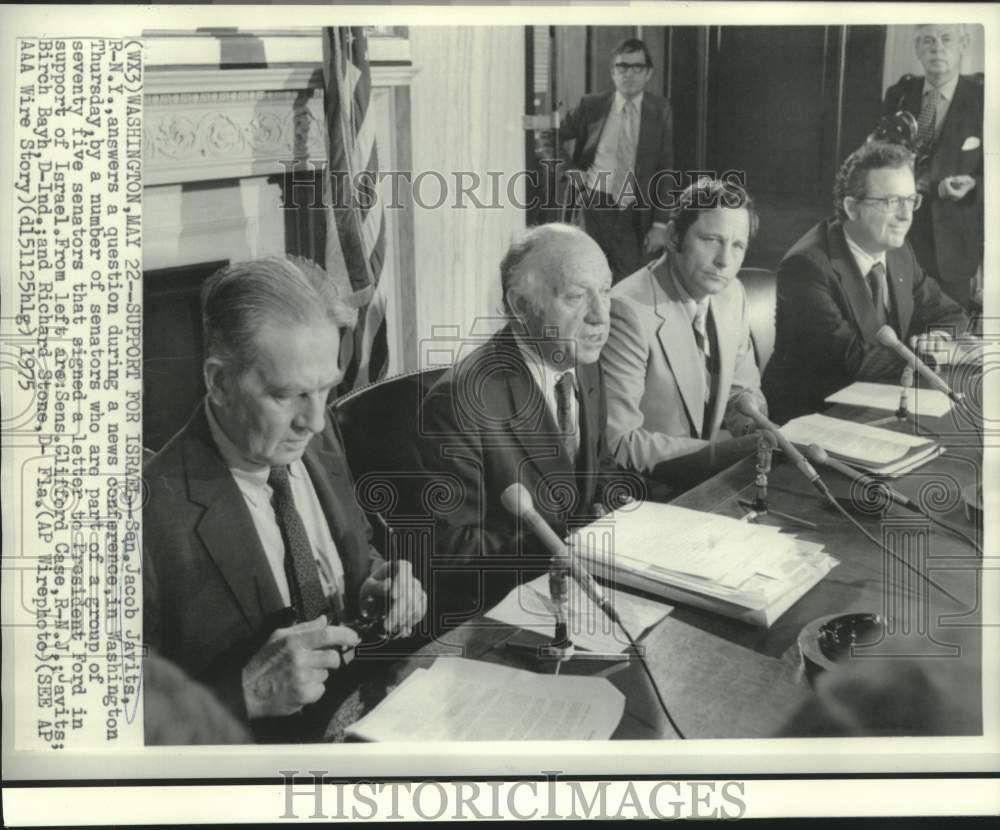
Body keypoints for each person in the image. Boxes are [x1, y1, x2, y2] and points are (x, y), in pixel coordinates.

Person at [143, 256, 427, 741]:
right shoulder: (144, 516)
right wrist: (245, 691)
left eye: (325, 390)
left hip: (377, 721)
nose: (314, 420)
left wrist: (376, 582)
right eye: (287, 396)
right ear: (219, 382)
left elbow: (356, 550)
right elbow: (103, 726)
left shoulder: (318, 434)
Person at [419, 224, 634, 621]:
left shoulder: (581, 361)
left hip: (588, 589)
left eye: (605, 291)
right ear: (520, 306)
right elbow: (454, 553)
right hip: (507, 613)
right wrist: (571, 542)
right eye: (575, 296)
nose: (601, 316)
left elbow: (596, 470)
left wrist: (633, 516)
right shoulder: (461, 402)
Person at [762, 142, 968, 424]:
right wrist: (927, 357)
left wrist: (938, 339)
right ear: (852, 207)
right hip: (815, 420)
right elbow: (855, 360)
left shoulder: (898, 251)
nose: (906, 216)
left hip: (881, 404)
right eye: (891, 202)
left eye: (911, 200)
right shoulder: (807, 266)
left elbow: (951, 313)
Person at [601, 178, 767, 487]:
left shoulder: (732, 294)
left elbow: (740, 392)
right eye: (711, 240)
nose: (725, 261)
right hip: (645, 493)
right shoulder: (626, 310)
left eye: (738, 245)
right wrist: (723, 454)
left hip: (704, 481)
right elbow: (620, 442)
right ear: (675, 236)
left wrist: (756, 429)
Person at [554, 37, 674, 282]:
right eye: (622, 67)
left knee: (627, 282)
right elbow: (552, 137)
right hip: (593, 205)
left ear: (648, 73)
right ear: (612, 72)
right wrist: (569, 170)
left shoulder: (660, 110)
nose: (628, 74)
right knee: (585, 275)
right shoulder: (591, 105)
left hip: (634, 211)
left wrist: (661, 225)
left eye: (636, 67)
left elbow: (666, 168)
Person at [882, 24, 983, 310]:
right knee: (899, 329)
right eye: (928, 40)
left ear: (963, 44)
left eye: (946, 39)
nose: (937, 47)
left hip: (954, 248)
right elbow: (879, 157)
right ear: (917, 49)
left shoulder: (985, 99)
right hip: (901, 239)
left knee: (947, 337)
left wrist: (975, 184)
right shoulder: (899, 94)